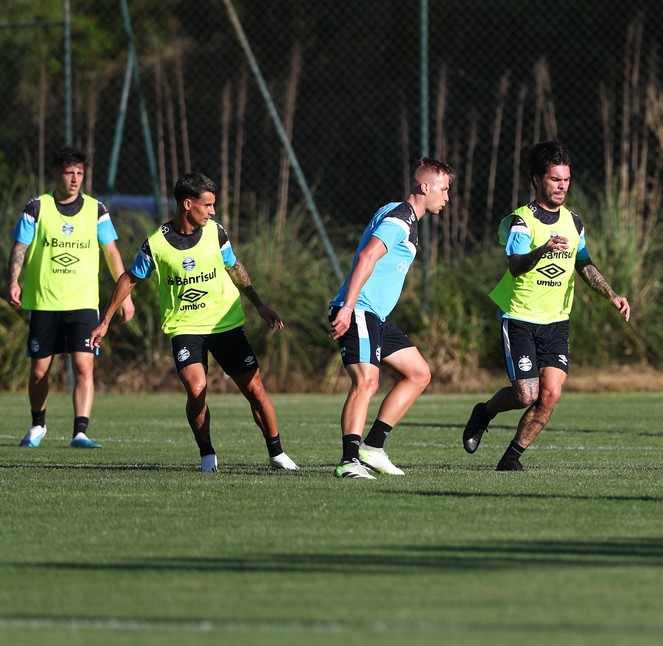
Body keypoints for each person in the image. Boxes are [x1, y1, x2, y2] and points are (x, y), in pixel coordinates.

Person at [89, 172, 297, 472]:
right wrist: (105, 320)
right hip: (185, 327)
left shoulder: (216, 232)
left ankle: (277, 453)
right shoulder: (157, 243)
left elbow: (234, 266)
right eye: (207, 205)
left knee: (255, 389)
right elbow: (130, 278)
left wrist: (259, 304)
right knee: (196, 388)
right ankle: (207, 453)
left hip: (223, 323)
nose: (212, 211)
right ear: (188, 204)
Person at [461, 141, 631, 471]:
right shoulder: (522, 222)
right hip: (520, 317)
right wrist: (545, 248)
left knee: (549, 394)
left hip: (557, 322)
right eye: (555, 179)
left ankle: (511, 458)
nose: (562, 186)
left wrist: (612, 294)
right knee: (526, 394)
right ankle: (484, 412)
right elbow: (516, 265)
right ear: (537, 180)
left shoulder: (574, 222)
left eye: (566, 180)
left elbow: (585, 264)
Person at [328, 157, 455, 479]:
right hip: (359, 310)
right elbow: (368, 255)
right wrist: (347, 306)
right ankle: (349, 461)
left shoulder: (400, 214)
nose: (447, 197)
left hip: (374, 316)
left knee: (419, 373)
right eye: (444, 188)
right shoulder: (400, 218)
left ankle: (373, 447)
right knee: (367, 381)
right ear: (425, 187)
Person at [7, 146, 135, 449]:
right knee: (39, 371)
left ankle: (80, 432)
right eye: (69, 172)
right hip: (44, 302)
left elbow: (112, 253)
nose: (75, 178)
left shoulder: (96, 209)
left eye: (80, 172)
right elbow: (19, 249)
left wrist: (126, 297)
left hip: (84, 303)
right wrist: (13, 280)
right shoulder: (37, 207)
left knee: (84, 367)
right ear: (56, 173)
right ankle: (38, 424)